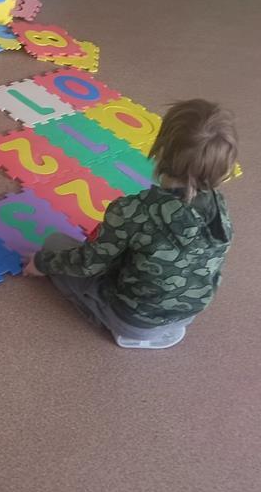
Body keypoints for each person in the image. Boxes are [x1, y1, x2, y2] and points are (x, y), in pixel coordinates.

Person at [23, 99, 237, 349]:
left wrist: (42, 263)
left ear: (160, 150)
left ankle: (118, 326)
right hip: (188, 313)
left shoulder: (133, 210)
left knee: (55, 242)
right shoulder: (220, 207)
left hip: (134, 320)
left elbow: (87, 264)